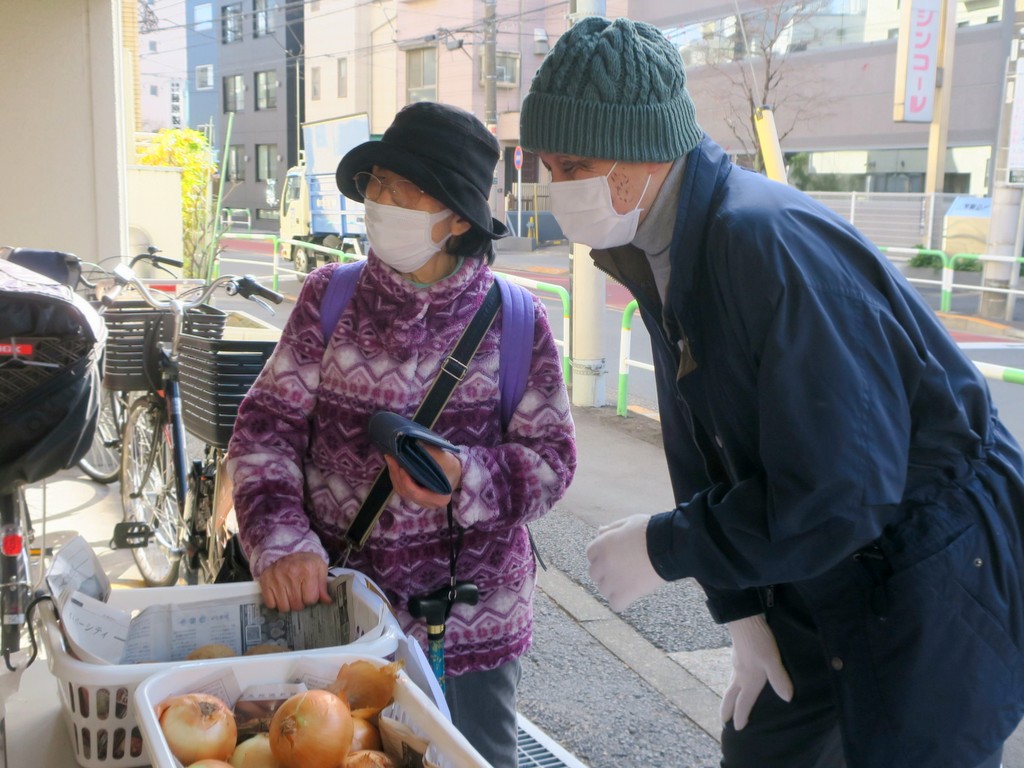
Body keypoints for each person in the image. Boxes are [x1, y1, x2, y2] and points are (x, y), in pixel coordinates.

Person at [520, 15, 1024, 768]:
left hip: (933, 560)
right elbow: (704, 444)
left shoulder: (764, 244)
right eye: (548, 167)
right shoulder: (654, 243)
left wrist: (668, 545)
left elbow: (846, 491)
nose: (558, 187)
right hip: (817, 545)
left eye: (572, 164)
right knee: (768, 747)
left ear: (643, 152)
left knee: (910, 747)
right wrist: (741, 606)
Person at [226, 101, 576, 767]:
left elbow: (553, 462)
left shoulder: (519, 322)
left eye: (404, 190)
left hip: (475, 631)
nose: (380, 202)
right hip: (339, 615)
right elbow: (265, 431)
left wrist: (465, 477)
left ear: (459, 218)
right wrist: (280, 542)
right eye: (377, 184)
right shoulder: (329, 299)